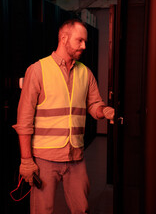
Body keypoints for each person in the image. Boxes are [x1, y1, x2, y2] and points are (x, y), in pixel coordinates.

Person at [13, 19, 114, 214]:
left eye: (85, 41)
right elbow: (24, 120)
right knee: (42, 210)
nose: (84, 46)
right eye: (80, 41)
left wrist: (104, 110)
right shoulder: (38, 70)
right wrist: (26, 160)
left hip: (76, 156)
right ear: (64, 38)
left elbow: (94, 105)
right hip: (44, 158)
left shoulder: (85, 72)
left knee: (82, 209)